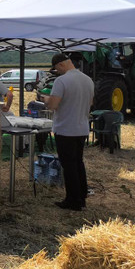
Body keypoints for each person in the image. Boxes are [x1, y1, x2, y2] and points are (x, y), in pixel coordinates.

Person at [44, 53, 94, 211]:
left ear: (61, 65)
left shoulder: (61, 80)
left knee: (69, 165)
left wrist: (45, 99)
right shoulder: (88, 80)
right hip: (82, 128)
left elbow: (53, 105)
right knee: (78, 162)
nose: (57, 72)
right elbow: (90, 103)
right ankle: (82, 195)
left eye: (56, 69)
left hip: (66, 129)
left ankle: (73, 200)